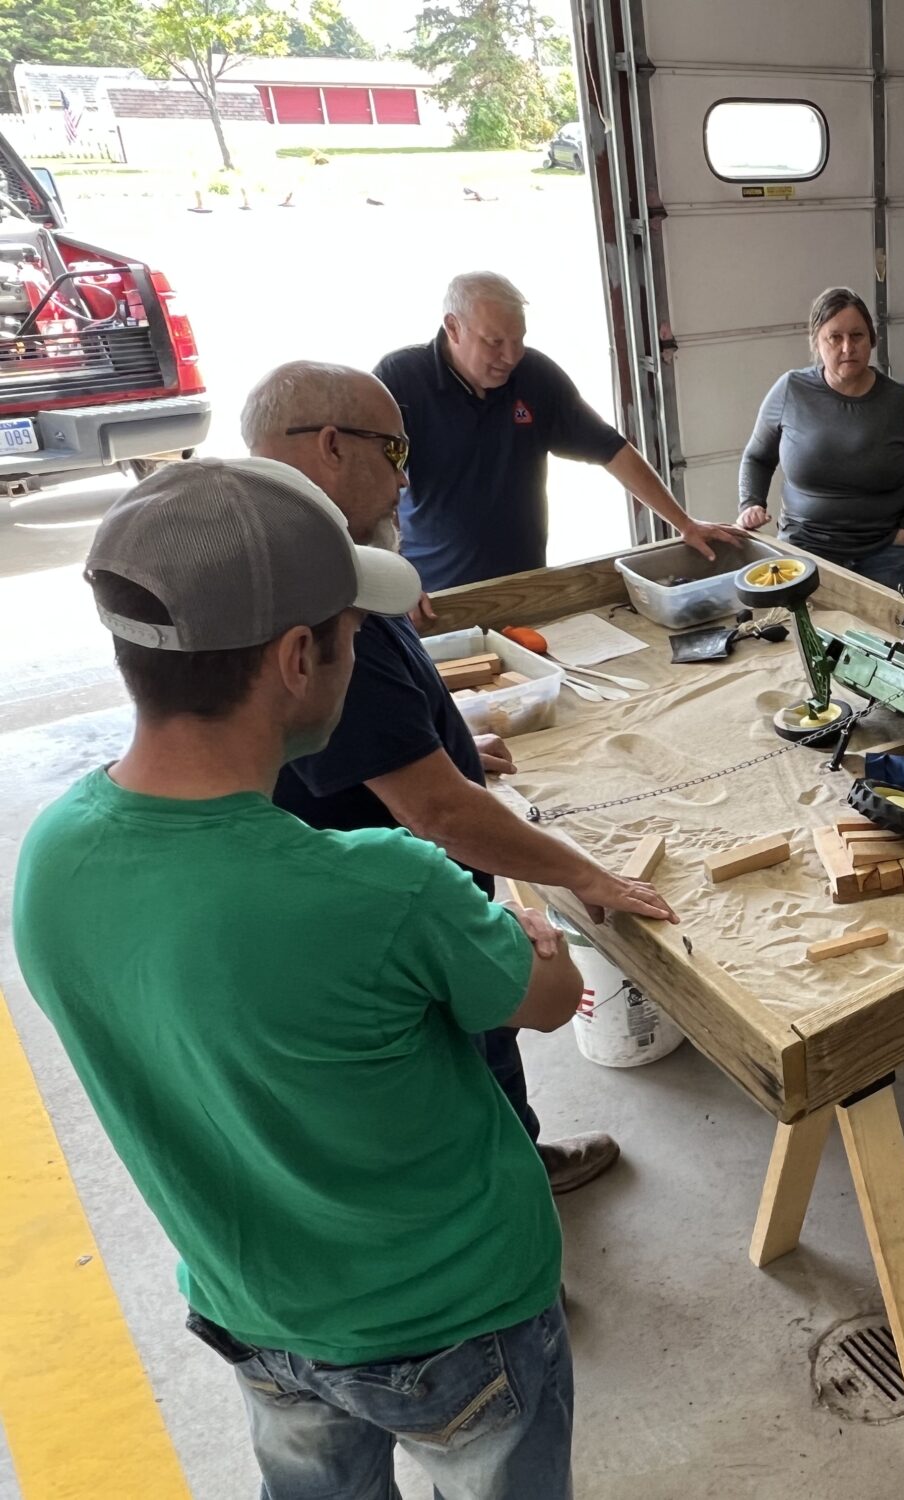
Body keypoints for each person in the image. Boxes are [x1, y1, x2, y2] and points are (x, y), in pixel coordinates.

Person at [13, 458, 584, 1496]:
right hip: (454, 1317)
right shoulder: (383, 886)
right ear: (293, 659)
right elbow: (546, 1004)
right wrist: (532, 920)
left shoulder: (50, 859)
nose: (363, 646)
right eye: (353, 630)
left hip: (253, 1315)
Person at [245, 360, 678, 1194]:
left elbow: (371, 738)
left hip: (384, 880)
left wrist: (442, 742)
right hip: (389, 919)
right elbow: (439, 814)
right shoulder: (320, 595)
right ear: (331, 447)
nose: (409, 473)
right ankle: (506, 1201)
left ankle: (522, 1158)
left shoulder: (307, 556)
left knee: (479, 1060)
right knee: (453, 1066)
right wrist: (584, 875)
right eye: (396, 449)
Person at [378, 270, 743, 593]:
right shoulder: (401, 379)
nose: (510, 355)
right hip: (432, 593)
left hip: (527, 584)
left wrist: (684, 523)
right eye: (495, 342)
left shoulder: (535, 376)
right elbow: (367, 487)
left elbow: (611, 449)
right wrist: (395, 582)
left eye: (518, 339)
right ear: (453, 327)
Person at [737, 287, 904, 593]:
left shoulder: (902, 403)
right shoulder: (790, 390)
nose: (848, 347)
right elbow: (757, 457)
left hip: (884, 555)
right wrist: (751, 502)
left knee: (884, 640)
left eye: (858, 336)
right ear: (817, 343)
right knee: (807, 638)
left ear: (872, 339)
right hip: (803, 553)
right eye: (835, 337)